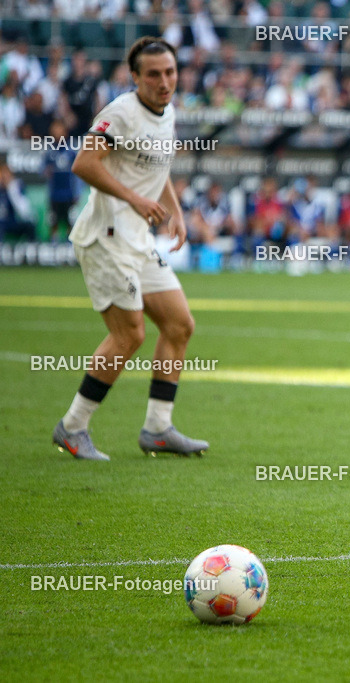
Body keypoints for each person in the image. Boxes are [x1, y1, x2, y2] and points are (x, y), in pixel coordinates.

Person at [52, 37, 208, 461]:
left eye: (170, 72)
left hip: (137, 239)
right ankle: (72, 427)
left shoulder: (167, 110)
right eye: (154, 74)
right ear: (135, 77)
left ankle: (158, 428)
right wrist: (135, 200)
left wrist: (173, 209)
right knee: (129, 334)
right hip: (105, 236)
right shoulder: (121, 112)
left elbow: (158, 166)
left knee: (179, 324)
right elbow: (83, 163)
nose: (164, 81)